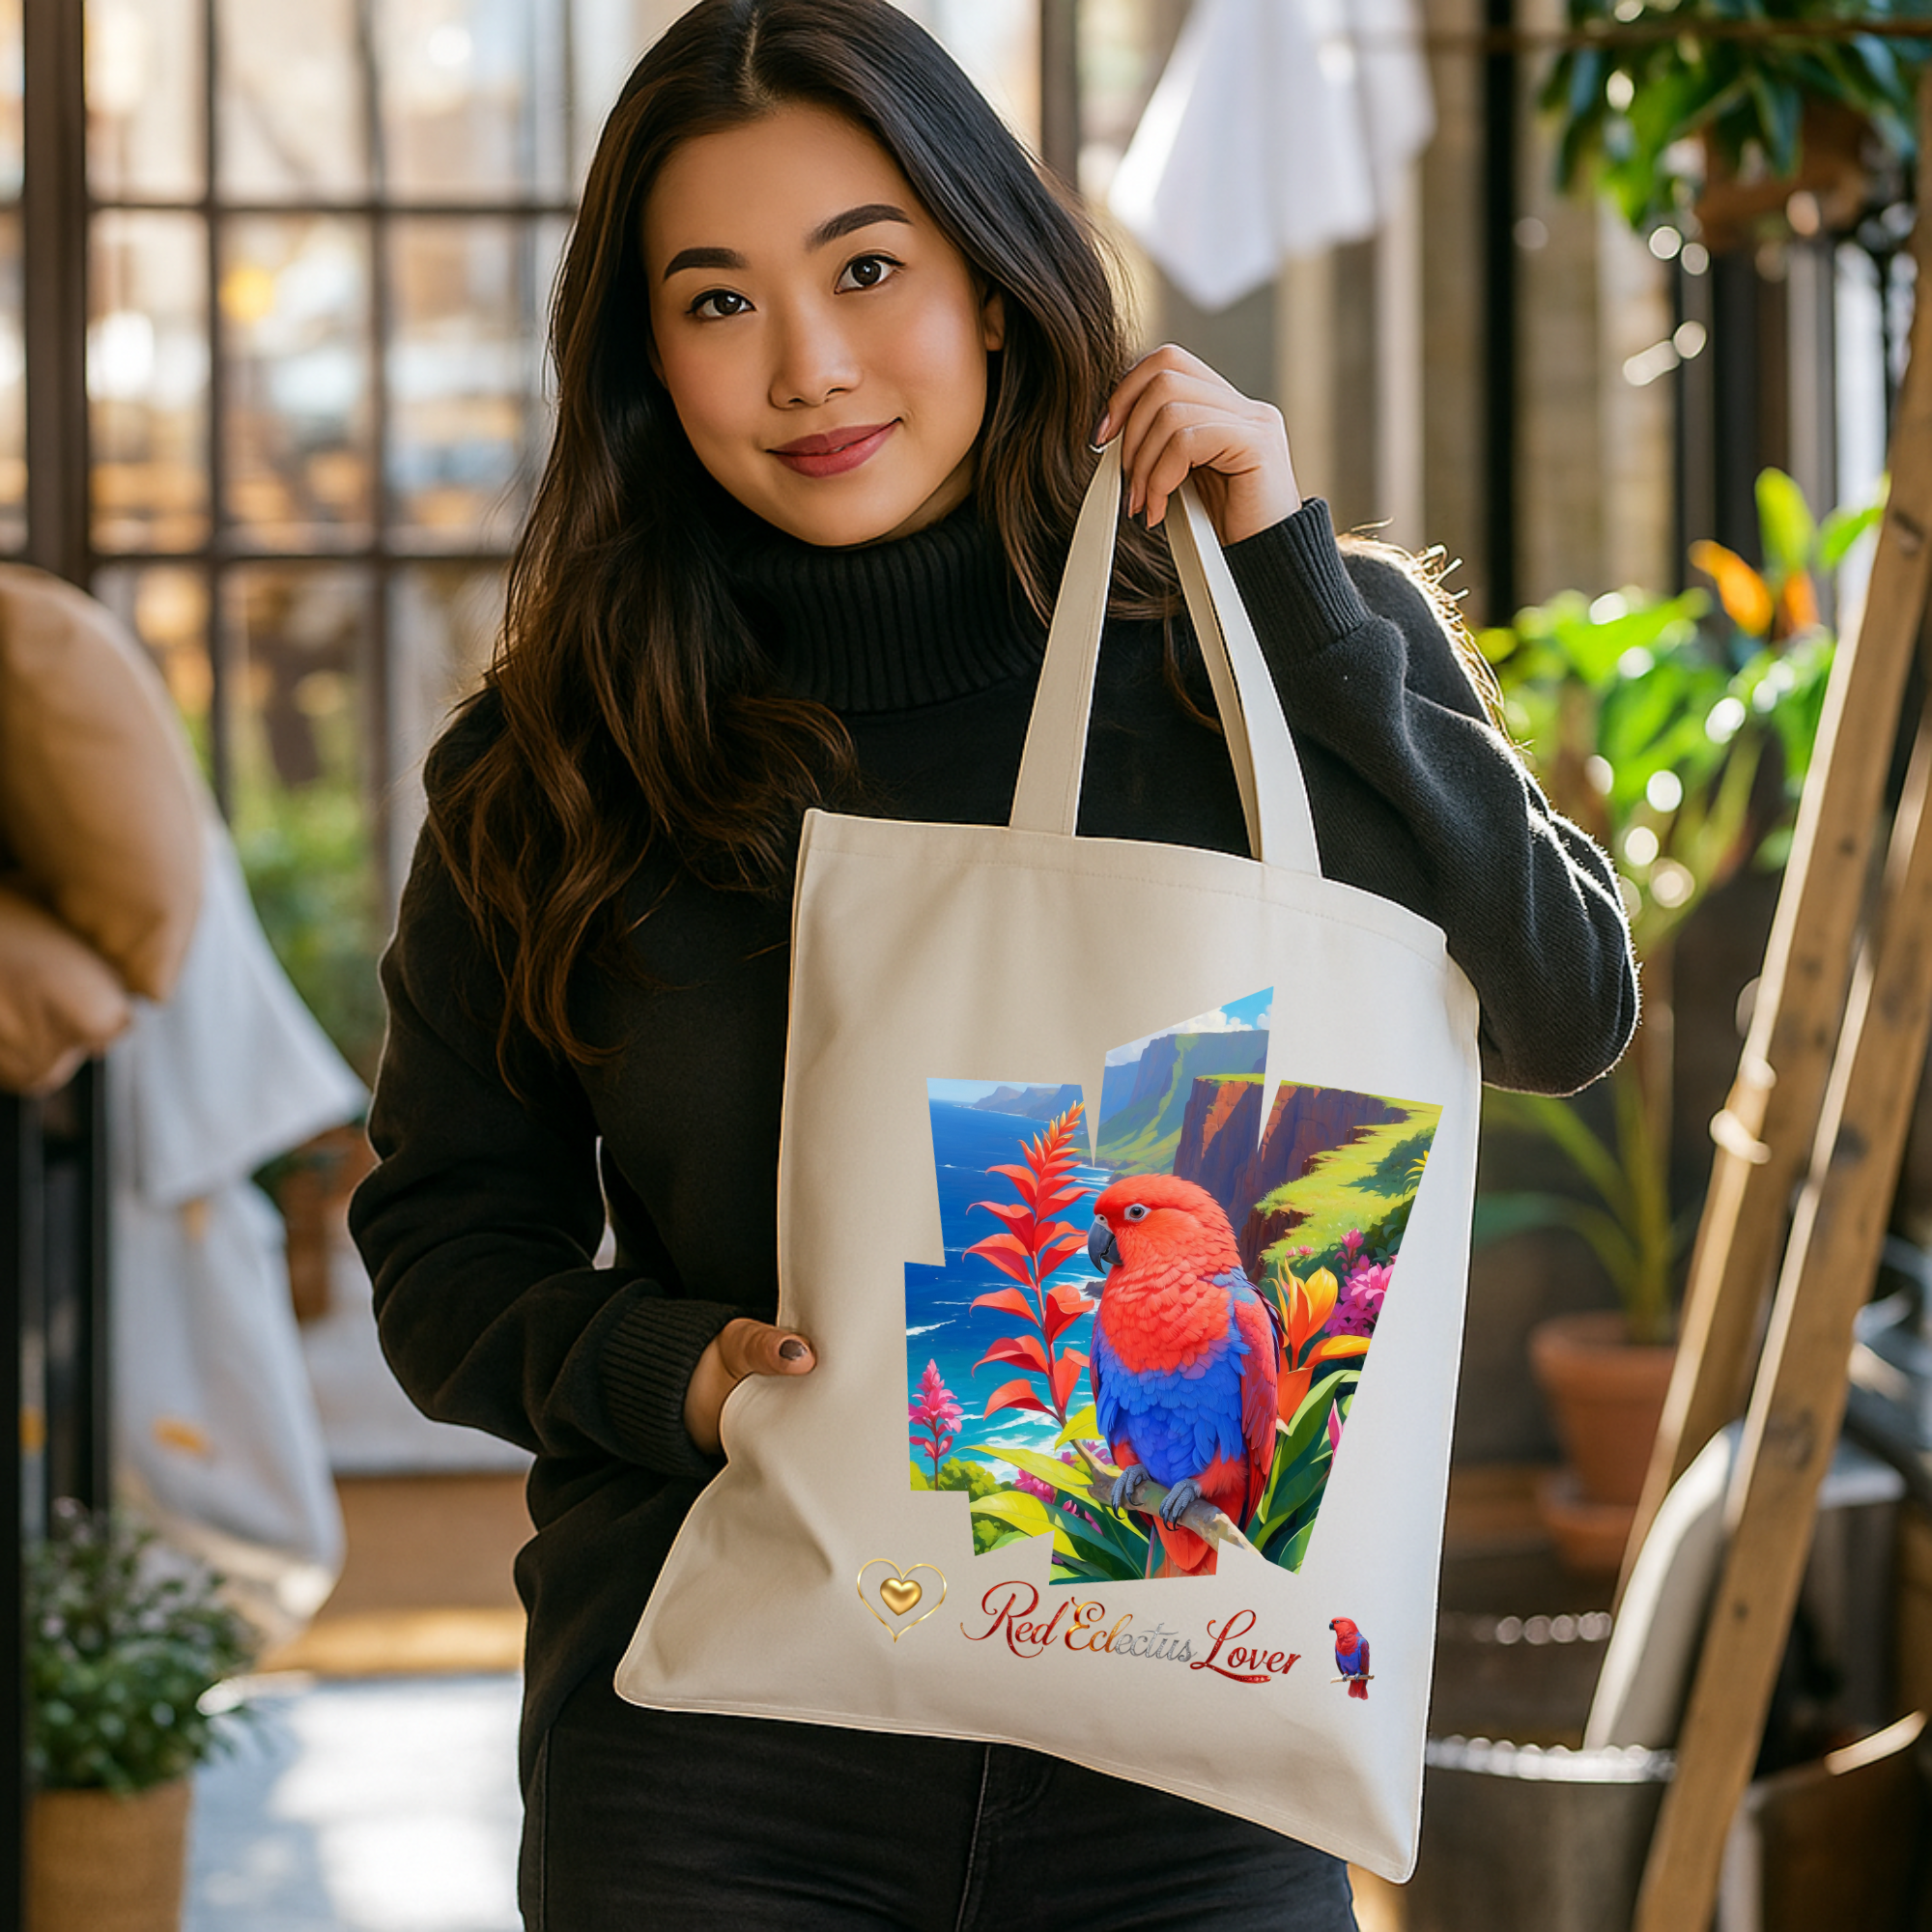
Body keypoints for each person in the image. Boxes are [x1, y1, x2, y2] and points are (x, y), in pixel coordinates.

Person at [350, 2, 1638, 1925]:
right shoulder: (561, 759)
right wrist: (672, 1370)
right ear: (643, 360)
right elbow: (444, 1253)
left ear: (995, 282)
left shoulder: (1255, 660)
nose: (812, 364)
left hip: (1192, 1724)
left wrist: (1290, 577)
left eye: (869, 267)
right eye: (716, 301)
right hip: (719, 1759)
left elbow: (1561, 1001)